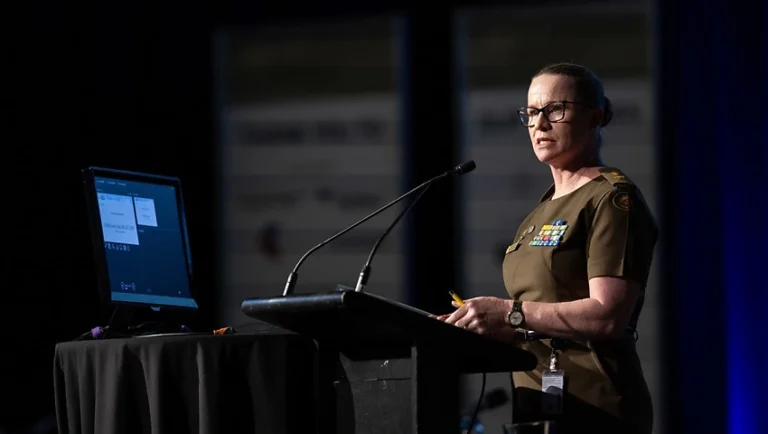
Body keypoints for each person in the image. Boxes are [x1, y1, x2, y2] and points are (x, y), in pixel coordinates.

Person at [437, 62, 658, 434]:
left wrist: (508, 313)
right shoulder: (539, 212)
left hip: (596, 409)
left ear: (595, 118)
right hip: (536, 409)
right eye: (532, 113)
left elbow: (607, 316)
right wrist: (471, 326)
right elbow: (537, 316)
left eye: (556, 110)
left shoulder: (611, 198)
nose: (540, 124)